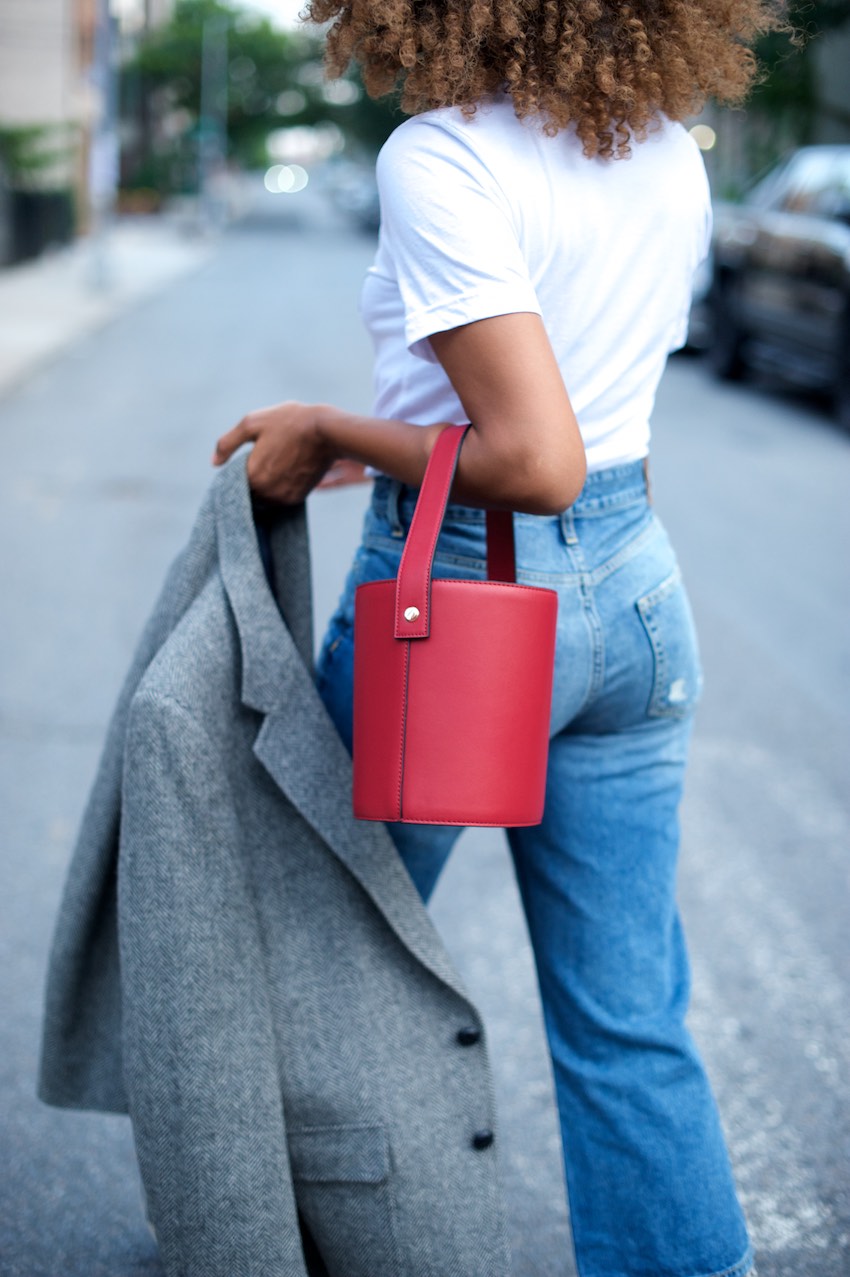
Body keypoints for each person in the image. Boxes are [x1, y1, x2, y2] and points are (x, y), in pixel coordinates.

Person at [213, 3, 786, 1272]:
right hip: (635, 592)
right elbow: (584, 407)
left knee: (313, 960)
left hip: (457, 595)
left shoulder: (443, 155)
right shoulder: (659, 150)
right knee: (629, 1019)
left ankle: (273, 1238)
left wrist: (333, 430)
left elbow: (531, 455)